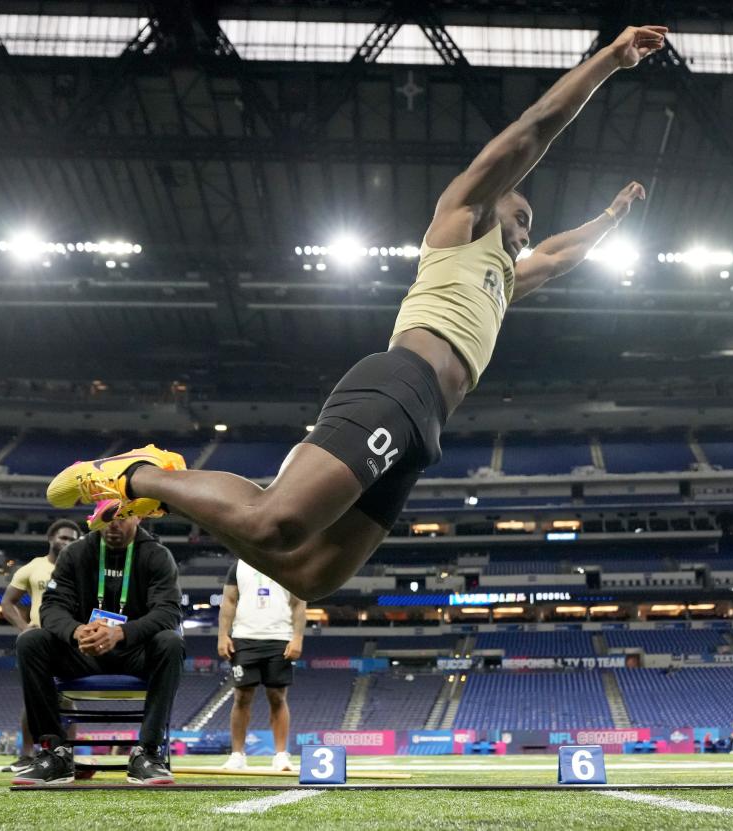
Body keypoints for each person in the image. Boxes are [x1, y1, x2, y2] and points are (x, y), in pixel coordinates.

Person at [44, 25, 669, 601]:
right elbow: (536, 127)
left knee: (310, 575)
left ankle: (173, 494)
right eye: (522, 216)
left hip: (426, 428)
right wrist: (612, 60)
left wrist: (614, 217)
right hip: (400, 383)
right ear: (490, 205)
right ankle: (140, 475)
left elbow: (561, 256)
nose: (528, 232)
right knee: (276, 520)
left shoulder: (504, 279)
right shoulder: (461, 223)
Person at [11, 516, 184, 786]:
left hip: (134, 653)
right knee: (30, 642)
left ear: (137, 515)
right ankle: (54, 752)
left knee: (171, 642)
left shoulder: (157, 555)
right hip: (83, 650)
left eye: (121, 518)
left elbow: (168, 612)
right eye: (106, 518)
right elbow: (52, 607)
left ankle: (147, 753)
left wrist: (121, 633)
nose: (112, 525)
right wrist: (76, 631)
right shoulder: (76, 553)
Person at [0, 519, 82, 773]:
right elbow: (7, 603)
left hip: (69, 639)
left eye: (73, 539)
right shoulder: (33, 567)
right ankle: (26, 754)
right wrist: (24, 629)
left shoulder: (80, 569)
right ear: (51, 539)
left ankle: (65, 753)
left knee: (67, 699)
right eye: (63, 538)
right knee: (33, 697)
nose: (67, 543)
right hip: (39, 642)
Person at [217, 559, 306, 771]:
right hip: (244, 638)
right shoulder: (238, 567)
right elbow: (229, 601)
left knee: (277, 696)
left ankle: (281, 755)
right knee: (242, 696)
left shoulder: (290, 564)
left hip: (280, 638)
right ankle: (237, 755)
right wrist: (222, 635)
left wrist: (298, 638)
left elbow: (299, 603)